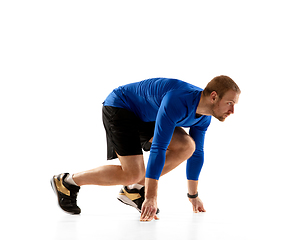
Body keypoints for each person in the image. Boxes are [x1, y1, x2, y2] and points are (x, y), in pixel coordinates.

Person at [51, 75, 241, 221]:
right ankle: (67, 182)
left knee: (187, 146)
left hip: (147, 116)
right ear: (214, 96)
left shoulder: (204, 117)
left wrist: (193, 196)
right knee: (132, 173)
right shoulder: (178, 100)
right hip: (121, 106)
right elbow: (159, 148)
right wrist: (151, 197)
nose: (232, 111)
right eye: (230, 103)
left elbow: (197, 154)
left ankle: (132, 190)